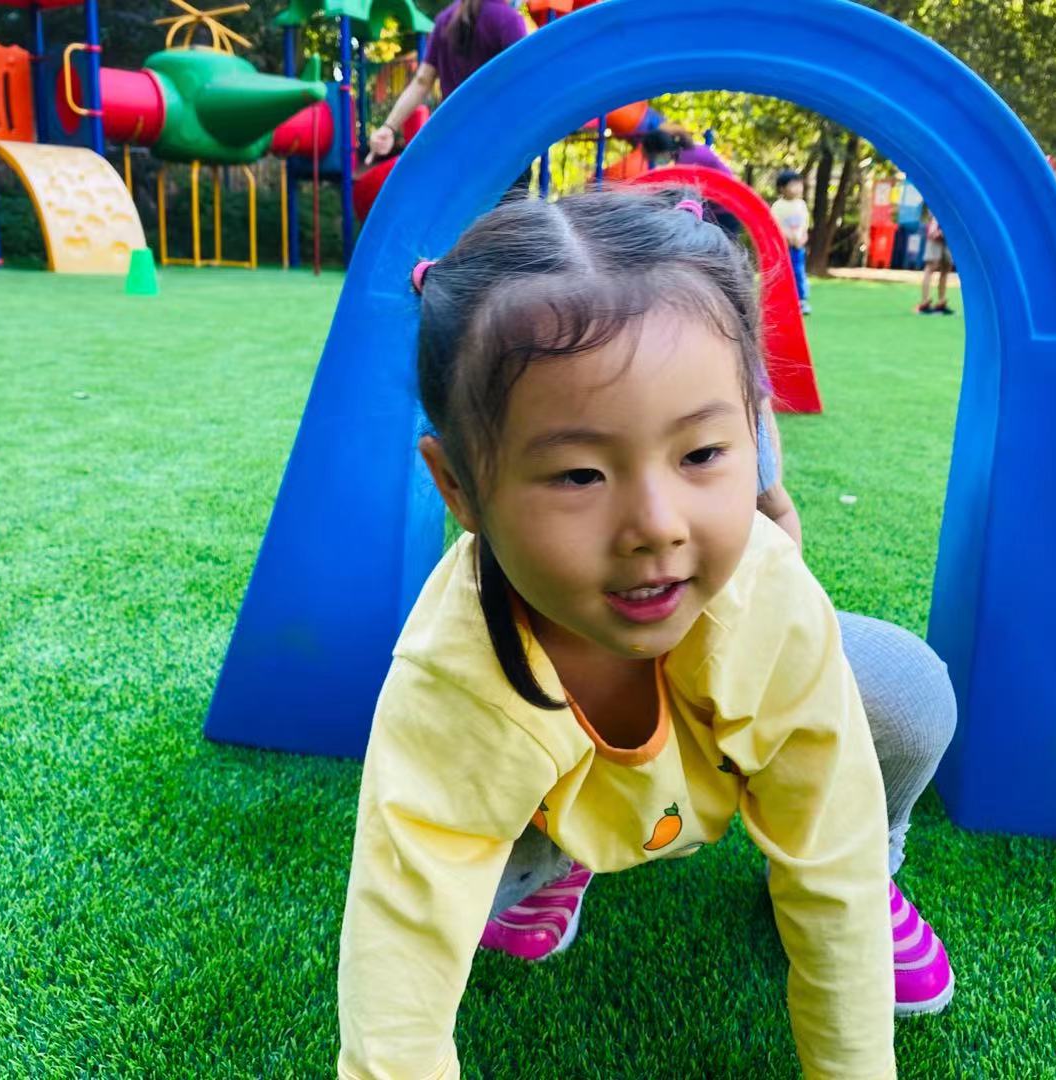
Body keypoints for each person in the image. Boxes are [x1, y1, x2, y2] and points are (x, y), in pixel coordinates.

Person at [338, 190, 913, 1080]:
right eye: (578, 474)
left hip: (727, 750)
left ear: (754, 438)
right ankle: (549, 860)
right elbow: (399, 950)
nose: (656, 526)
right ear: (458, 489)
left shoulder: (768, 600)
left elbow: (832, 858)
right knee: (464, 874)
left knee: (909, 699)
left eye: (701, 455)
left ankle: (888, 863)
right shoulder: (450, 680)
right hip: (543, 796)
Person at [364, 0, 528, 187]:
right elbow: (524, 83)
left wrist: (389, 126)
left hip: (455, 144)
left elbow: (421, 81)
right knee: (510, 204)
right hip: (501, 147)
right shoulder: (508, 20)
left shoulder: (445, 20)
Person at [771, 169, 812, 314]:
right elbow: (776, 224)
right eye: (793, 185)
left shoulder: (801, 204)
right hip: (783, 247)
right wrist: (787, 238)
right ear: (782, 188)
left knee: (799, 272)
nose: (798, 188)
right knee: (783, 273)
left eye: (799, 184)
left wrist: (803, 237)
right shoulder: (778, 206)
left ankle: (801, 300)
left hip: (798, 246)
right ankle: (782, 301)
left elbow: (804, 223)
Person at [917, 211, 956, 314]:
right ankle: (924, 302)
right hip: (936, 231)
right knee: (931, 266)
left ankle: (941, 302)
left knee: (946, 267)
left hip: (948, 234)